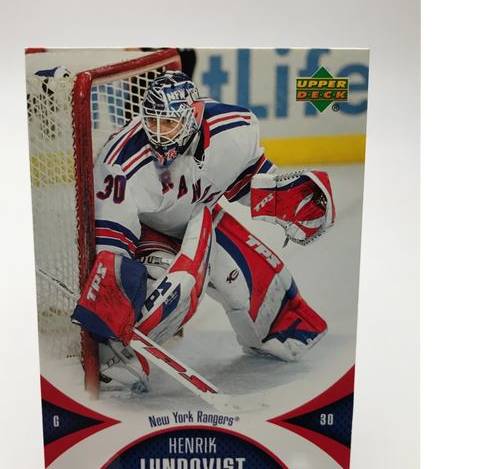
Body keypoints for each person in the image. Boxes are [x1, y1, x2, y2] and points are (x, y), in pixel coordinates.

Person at [71, 71, 336, 390]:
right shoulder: (120, 165)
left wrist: (280, 197)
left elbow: (244, 180)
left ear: (194, 115)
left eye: (169, 123)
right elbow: (112, 250)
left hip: (200, 216)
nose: (159, 133)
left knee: (259, 289)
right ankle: (118, 358)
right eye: (152, 121)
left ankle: (270, 336)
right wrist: (111, 313)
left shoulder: (234, 129)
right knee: (168, 289)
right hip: (147, 232)